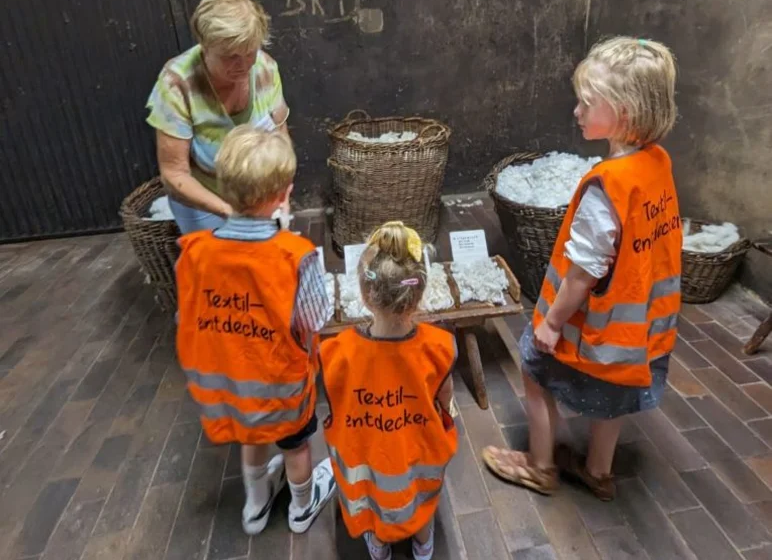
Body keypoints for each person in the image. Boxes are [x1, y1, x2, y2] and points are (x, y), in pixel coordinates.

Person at [482, 36, 682, 501]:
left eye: (587, 103)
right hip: (641, 331)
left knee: (534, 372)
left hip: (594, 324)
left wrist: (551, 322)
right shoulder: (656, 163)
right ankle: (597, 470)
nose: (577, 110)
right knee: (613, 398)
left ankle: (540, 465)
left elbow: (583, 271)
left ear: (624, 113)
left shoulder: (605, 186)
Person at [175, 127, 335, 535]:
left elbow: (189, 316)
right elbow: (315, 319)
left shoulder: (194, 252)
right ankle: (302, 508)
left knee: (252, 437)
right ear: (285, 193)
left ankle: (256, 506)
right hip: (283, 387)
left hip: (233, 388)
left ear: (221, 188)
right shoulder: (295, 256)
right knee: (296, 445)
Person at [319, 221, 458, 560]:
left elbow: (335, 400)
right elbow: (446, 397)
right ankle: (423, 546)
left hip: (365, 454)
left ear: (366, 295)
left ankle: (379, 547)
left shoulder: (337, 351)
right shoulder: (441, 347)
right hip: (419, 453)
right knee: (423, 503)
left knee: (373, 505)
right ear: (419, 293)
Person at [146, 0, 290, 234]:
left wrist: (281, 196)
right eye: (229, 56)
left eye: (249, 53)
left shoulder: (265, 68)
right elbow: (173, 173)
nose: (242, 65)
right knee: (215, 262)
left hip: (259, 195)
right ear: (205, 46)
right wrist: (232, 214)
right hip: (204, 197)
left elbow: (281, 139)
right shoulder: (177, 84)